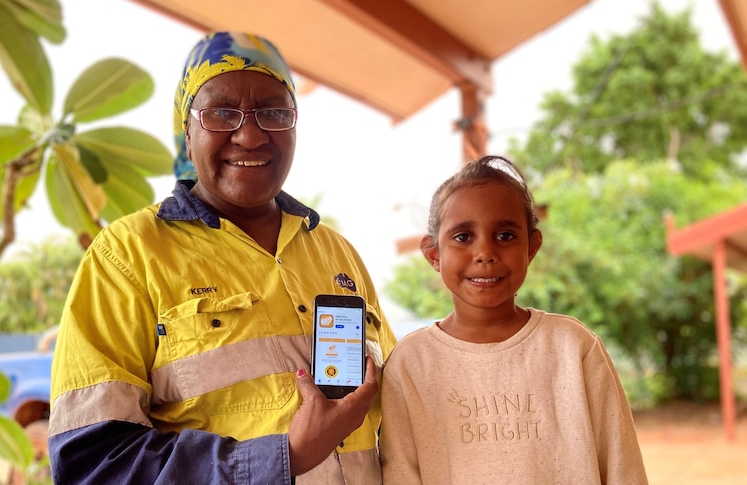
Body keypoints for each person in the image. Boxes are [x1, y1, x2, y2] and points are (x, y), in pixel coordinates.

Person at [48, 31, 397, 484]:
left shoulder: (336, 252)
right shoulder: (126, 256)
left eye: (273, 111)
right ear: (186, 131)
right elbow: (93, 463)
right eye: (221, 112)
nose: (250, 135)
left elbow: (396, 411)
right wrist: (286, 455)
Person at [379, 155, 648, 484]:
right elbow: (400, 475)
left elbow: (623, 468)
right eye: (463, 237)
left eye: (505, 236)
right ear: (434, 254)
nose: (485, 253)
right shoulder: (411, 364)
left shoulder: (574, 348)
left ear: (532, 247)